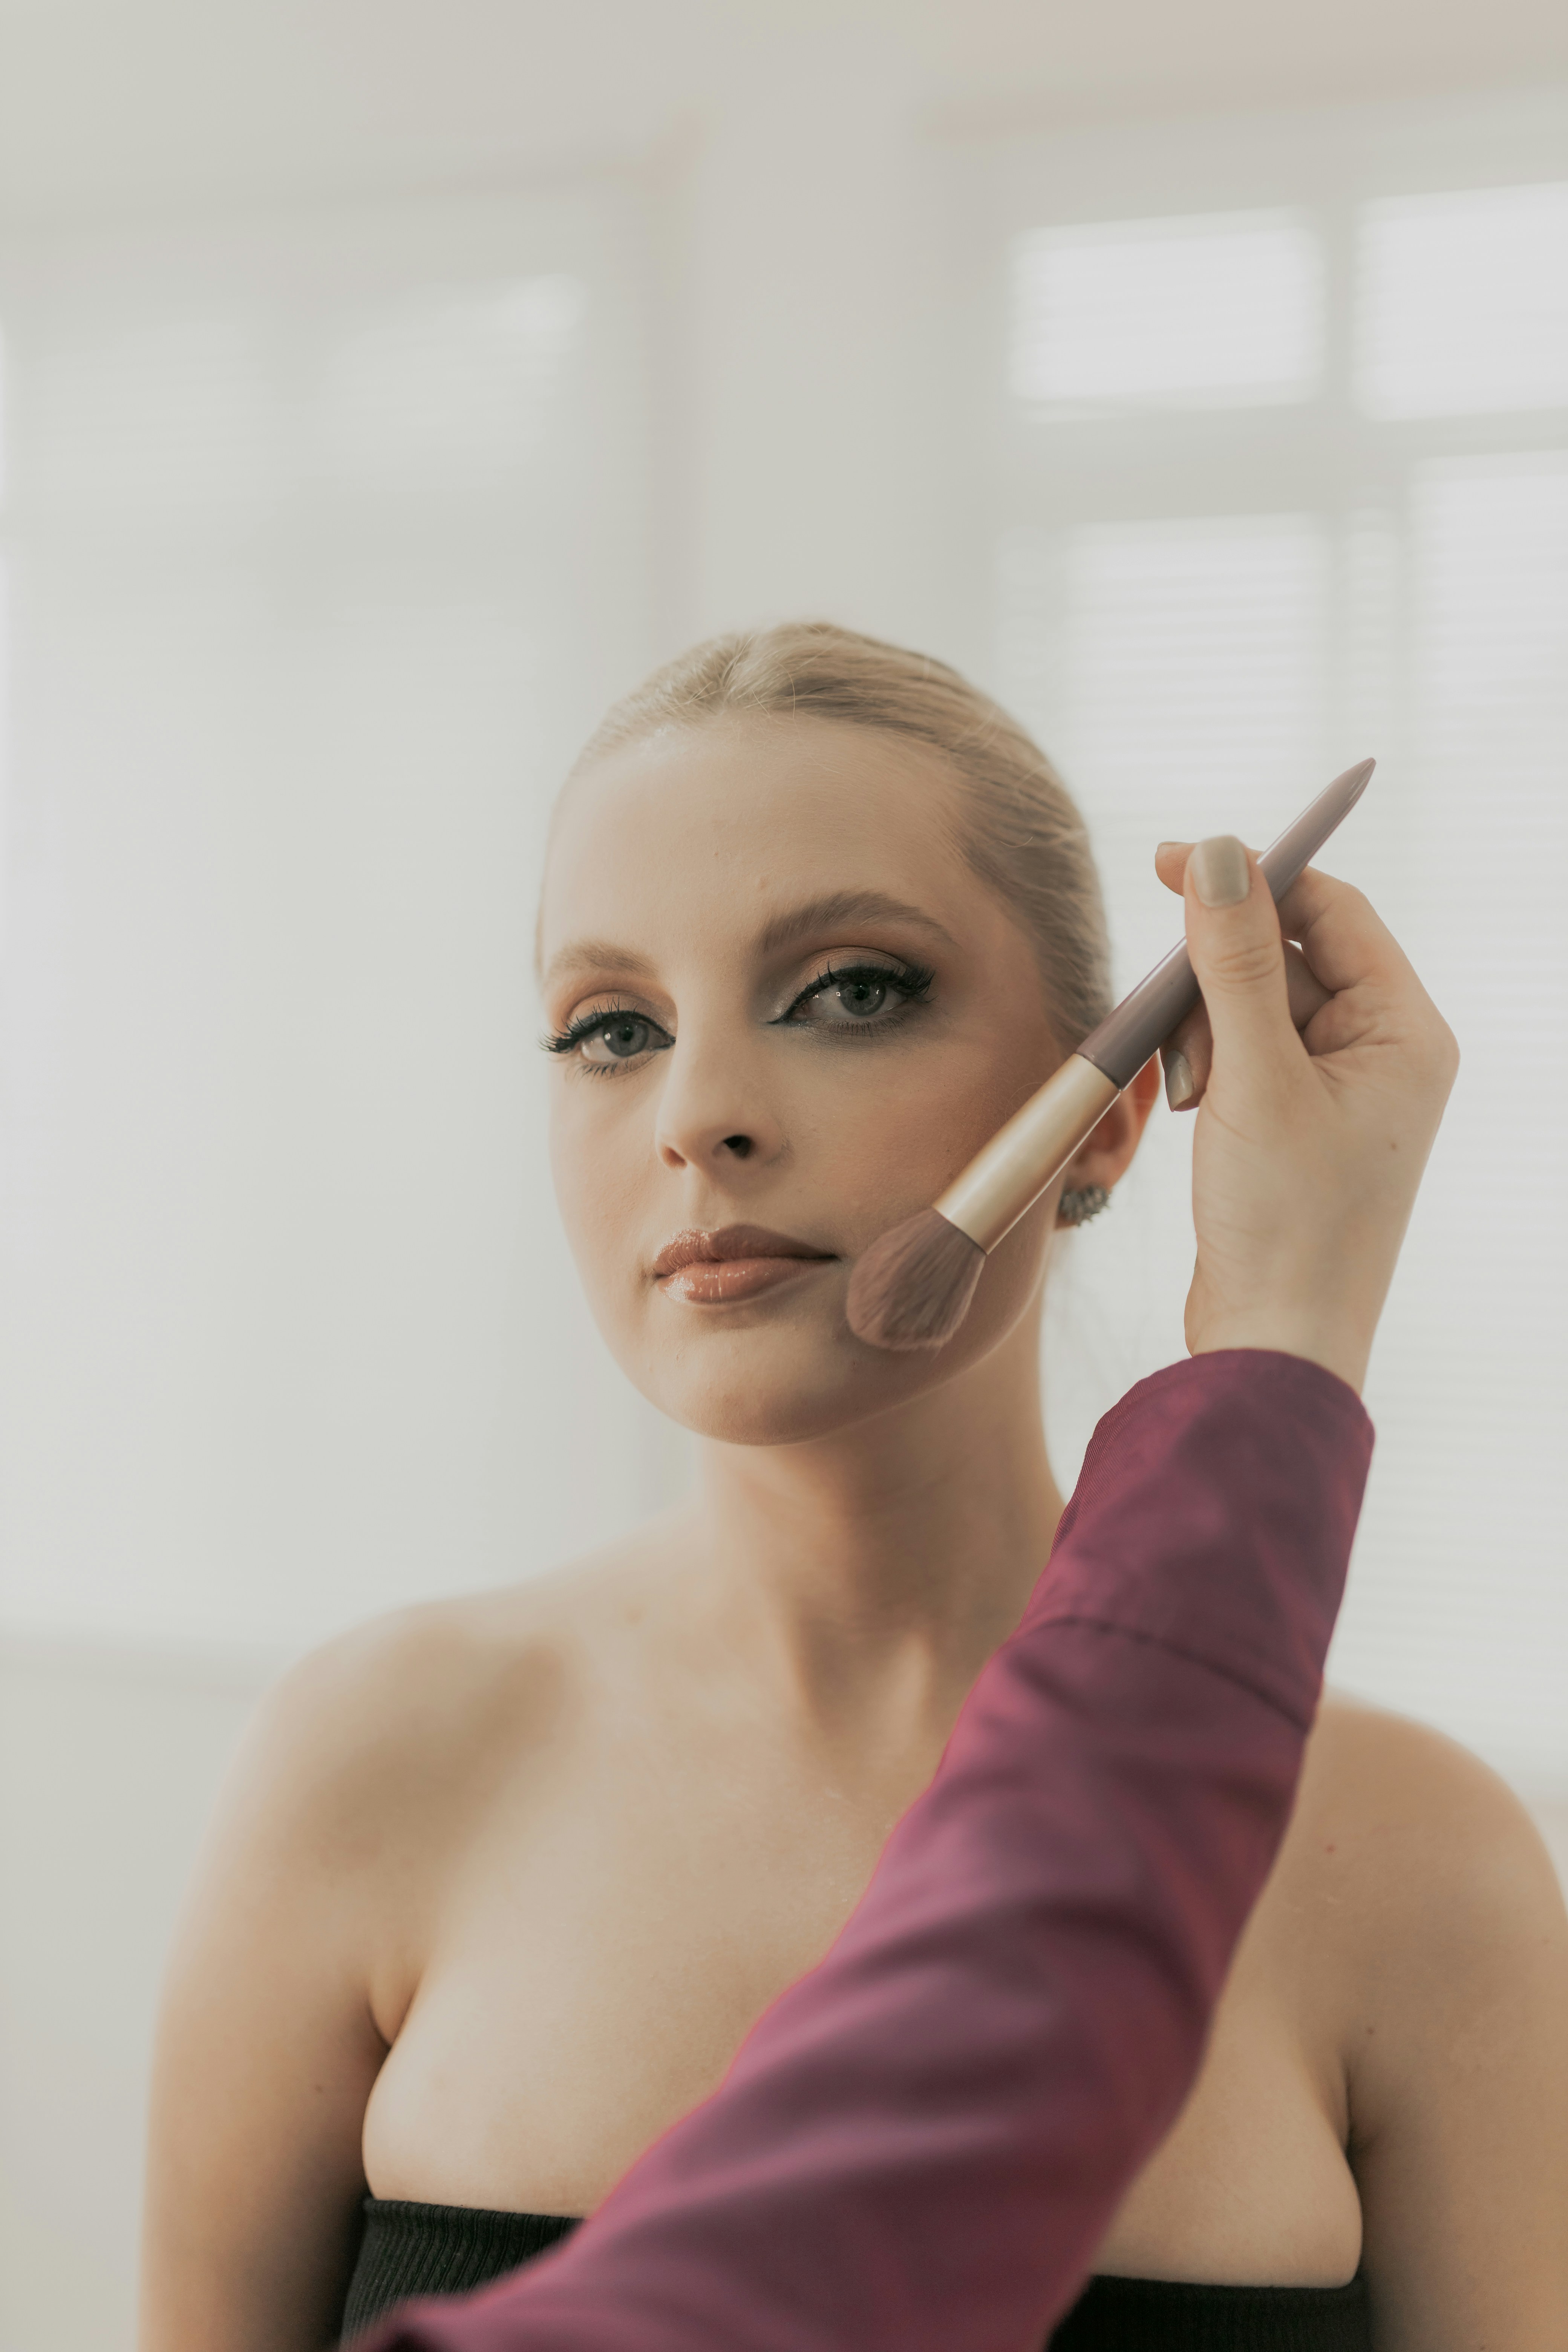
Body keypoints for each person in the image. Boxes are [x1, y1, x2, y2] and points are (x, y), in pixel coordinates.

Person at [138, 627, 1568, 2352]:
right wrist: (1282, 1343)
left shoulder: (1423, 1868)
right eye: (609, 1028)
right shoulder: (369, 1763)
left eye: (853, 991)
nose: (699, 1113)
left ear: (1109, 1110)